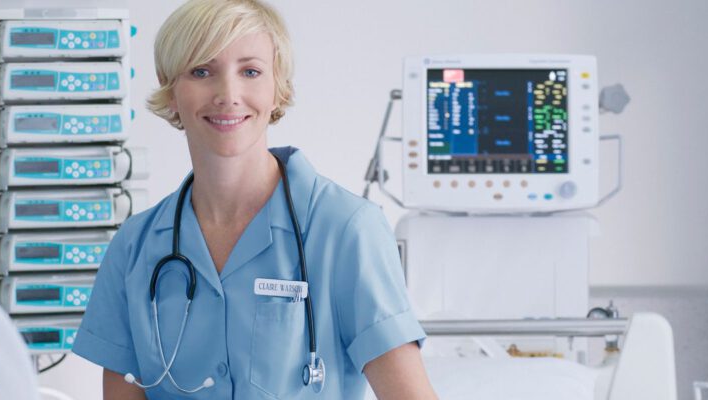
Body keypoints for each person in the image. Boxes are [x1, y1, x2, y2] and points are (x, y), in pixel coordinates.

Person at [71, 1, 437, 398]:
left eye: (251, 71)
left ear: (278, 89)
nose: (228, 94)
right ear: (171, 89)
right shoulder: (135, 246)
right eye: (201, 71)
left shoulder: (346, 230)